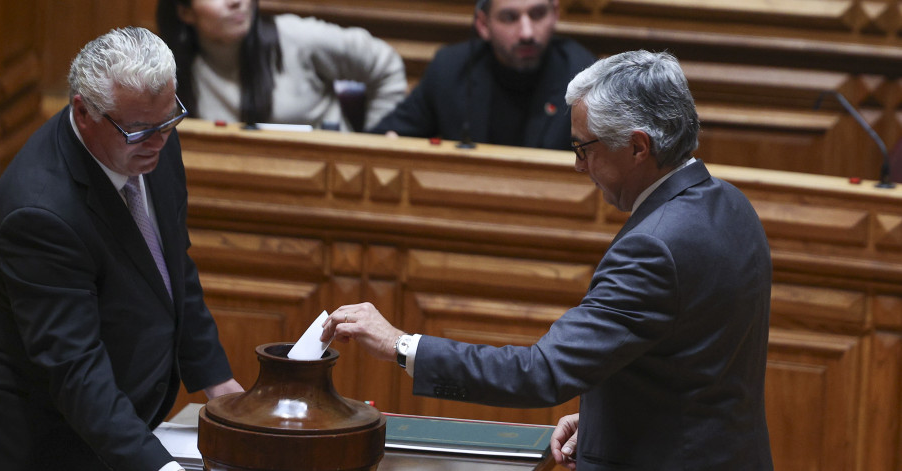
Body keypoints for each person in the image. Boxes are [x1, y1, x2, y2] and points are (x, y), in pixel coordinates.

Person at [323, 50, 774, 470]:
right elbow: (694, 363)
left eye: (585, 148)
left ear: (638, 147)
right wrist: (603, 421)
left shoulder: (654, 246)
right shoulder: (732, 206)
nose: (579, 166)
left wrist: (401, 345)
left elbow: (541, 373)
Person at [0, 27, 243, 471]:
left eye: (170, 120)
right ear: (83, 112)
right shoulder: (37, 213)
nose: (160, 141)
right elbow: (76, 371)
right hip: (41, 445)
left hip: (119, 421)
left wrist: (219, 383)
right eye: (141, 130)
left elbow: (172, 267)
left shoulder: (150, 133)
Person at [370, 0, 595, 150]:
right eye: (509, 18)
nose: (527, 32)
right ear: (483, 24)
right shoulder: (450, 69)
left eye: (537, 15)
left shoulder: (582, 72)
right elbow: (388, 136)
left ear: (555, 13)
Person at [156, 0, 407, 131]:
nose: (236, 2)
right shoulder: (171, 69)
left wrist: (373, 144)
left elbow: (386, 65)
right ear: (185, 12)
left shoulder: (297, 37)